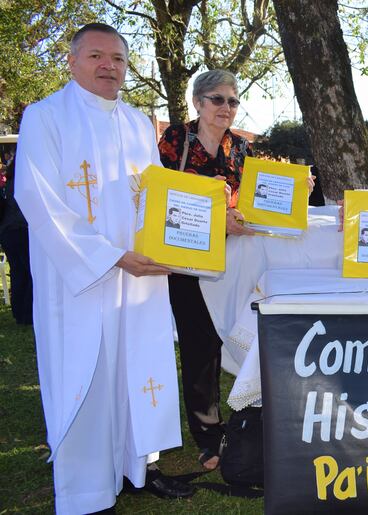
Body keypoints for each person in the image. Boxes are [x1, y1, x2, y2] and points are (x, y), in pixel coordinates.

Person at [14, 23, 191, 514]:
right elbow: (38, 198)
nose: (108, 66)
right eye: (96, 56)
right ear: (72, 62)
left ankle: (139, 468)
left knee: (138, 366)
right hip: (82, 277)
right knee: (86, 374)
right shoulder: (45, 117)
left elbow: (155, 193)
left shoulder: (138, 122)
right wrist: (111, 257)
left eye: (117, 58)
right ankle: (86, 490)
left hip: (140, 276)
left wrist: (183, 231)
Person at [158, 69, 259, 471]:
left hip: (233, 259)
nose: (226, 108)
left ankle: (245, 420)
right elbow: (162, 195)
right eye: (218, 99)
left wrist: (287, 193)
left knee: (230, 336)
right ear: (198, 102)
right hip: (187, 259)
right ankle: (207, 434)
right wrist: (219, 219)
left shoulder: (239, 147)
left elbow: (250, 196)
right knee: (200, 345)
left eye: (233, 101)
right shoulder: (176, 140)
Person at [0, 160, 33, 325]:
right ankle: (27, 314)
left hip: (7, 231)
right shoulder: (24, 182)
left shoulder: (10, 183)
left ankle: (19, 312)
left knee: (18, 271)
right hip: (22, 229)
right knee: (30, 272)